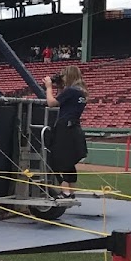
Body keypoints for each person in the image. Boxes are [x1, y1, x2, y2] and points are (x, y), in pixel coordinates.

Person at [41, 65, 88, 198]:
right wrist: (60, 87)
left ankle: (64, 190)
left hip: (65, 128)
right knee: (69, 162)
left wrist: (49, 87)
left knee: (56, 160)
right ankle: (71, 191)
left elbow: (51, 103)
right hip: (74, 128)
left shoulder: (71, 91)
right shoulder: (81, 91)